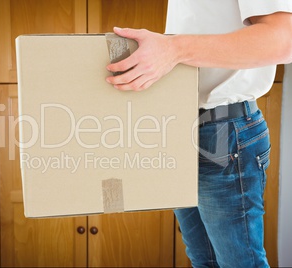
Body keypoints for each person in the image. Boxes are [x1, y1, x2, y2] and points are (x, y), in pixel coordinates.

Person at [106, 1, 292, 267]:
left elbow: (284, 39)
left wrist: (173, 49)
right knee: (205, 261)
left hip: (224, 131)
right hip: (182, 125)